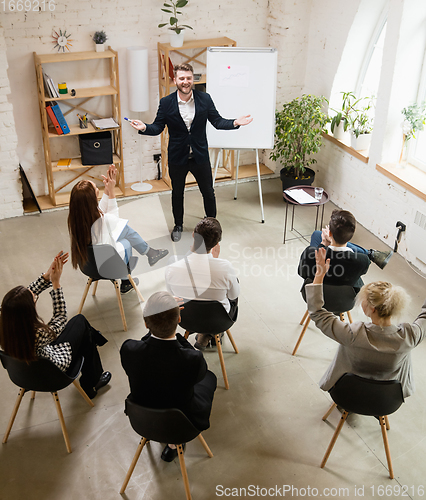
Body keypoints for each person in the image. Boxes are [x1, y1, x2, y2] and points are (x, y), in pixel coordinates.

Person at [130, 63, 253, 242]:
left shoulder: (205, 99)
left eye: (188, 78)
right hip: (177, 158)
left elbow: (217, 122)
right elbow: (157, 127)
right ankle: (178, 225)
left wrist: (235, 122)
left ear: (192, 79)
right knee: (177, 192)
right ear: (175, 80)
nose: (185, 82)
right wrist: (144, 127)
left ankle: (212, 225)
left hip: (199, 156)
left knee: (208, 192)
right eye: (181, 78)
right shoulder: (166, 103)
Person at [306, 247, 426, 398]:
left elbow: (317, 313)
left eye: (363, 300)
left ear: (373, 309)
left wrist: (319, 275)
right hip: (387, 400)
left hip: (348, 394)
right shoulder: (410, 336)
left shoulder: (352, 334)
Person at [120, 291, 217, 462]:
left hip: (141, 419)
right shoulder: (192, 359)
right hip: (182, 424)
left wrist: (157, 317)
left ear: (145, 323)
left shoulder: (129, 349)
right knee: (209, 377)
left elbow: (146, 344)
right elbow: (198, 372)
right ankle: (173, 444)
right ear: (179, 320)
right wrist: (175, 328)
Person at [0, 251, 111, 399]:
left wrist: (47, 276)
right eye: (33, 300)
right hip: (53, 370)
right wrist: (56, 284)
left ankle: (93, 340)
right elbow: (60, 318)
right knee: (80, 322)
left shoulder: (6, 322)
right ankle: (91, 382)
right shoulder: (37, 333)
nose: (34, 295)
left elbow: (25, 296)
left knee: (84, 331)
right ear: (28, 311)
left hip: (22, 373)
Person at [68, 165, 168, 294]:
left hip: (87, 266)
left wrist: (108, 189)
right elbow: (114, 218)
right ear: (92, 198)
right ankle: (127, 279)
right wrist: (112, 190)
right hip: (107, 267)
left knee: (124, 231)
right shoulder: (103, 221)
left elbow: (100, 210)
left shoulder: (76, 219)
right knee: (126, 237)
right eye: (96, 189)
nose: (98, 189)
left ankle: (149, 255)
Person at [165, 217, 239, 350]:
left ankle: (204, 333)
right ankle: (209, 333)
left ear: (193, 235)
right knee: (232, 285)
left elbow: (171, 295)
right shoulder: (225, 267)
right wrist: (216, 261)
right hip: (219, 321)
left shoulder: (173, 265)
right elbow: (233, 295)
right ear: (217, 244)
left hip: (186, 318)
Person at [298, 209, 392, 293]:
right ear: (352, 234)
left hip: (315, 295)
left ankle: (370, 253)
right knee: (317, 234)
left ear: (329, 233)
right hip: (345, 300)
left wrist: (323, 244)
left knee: (317, 234)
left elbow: (301, 273)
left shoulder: (309, 254)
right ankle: (371, 254)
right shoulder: (362, 261)